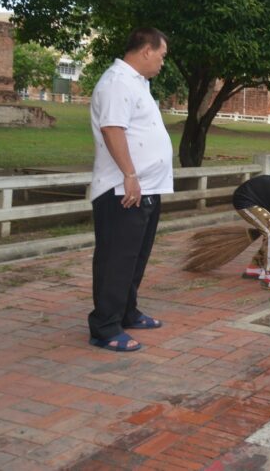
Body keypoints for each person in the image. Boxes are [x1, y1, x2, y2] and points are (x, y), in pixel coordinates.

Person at [87, 27, 173, 352]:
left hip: (146, 187)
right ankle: (105, 326)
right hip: (122, 188)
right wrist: (130, 175)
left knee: (135, 256)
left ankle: (126, 311)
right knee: (116, 259)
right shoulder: (117, 82)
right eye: (162, 56)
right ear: (147, 50)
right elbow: (112, 129)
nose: (162, 62)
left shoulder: (138, 83)